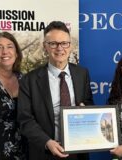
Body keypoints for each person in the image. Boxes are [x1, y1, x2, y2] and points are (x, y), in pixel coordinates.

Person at [17, 21, 93, 160]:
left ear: (70, 46)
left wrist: (85, 109)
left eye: (64, 43)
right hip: (44, 152)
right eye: (53, 43)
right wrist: (47, 142)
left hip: (77, 152)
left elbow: (88, 103)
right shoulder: (29, 80)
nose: (59, 48)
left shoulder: (82, 74)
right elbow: (25, 119)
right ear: (45, 46)